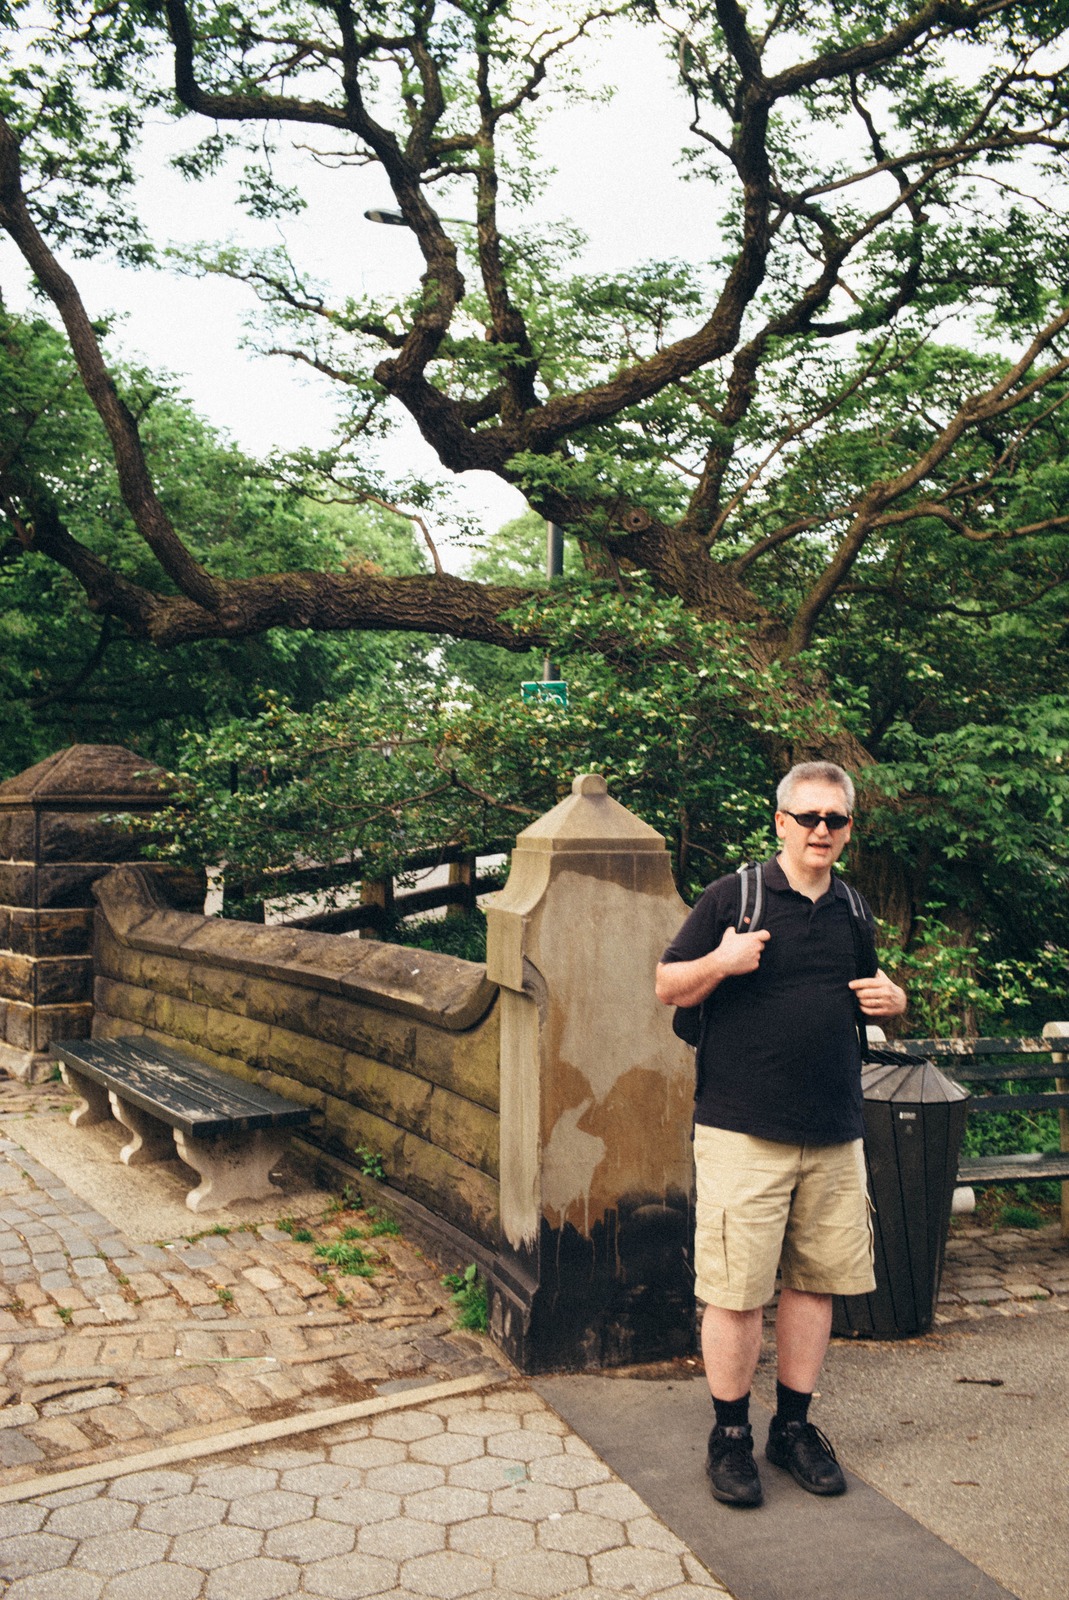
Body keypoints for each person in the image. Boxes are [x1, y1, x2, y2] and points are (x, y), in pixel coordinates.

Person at [655, 761, 906, 1508]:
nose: (820, 831)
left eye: (835, 820)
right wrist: (722, 960)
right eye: (807, 818)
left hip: (834, 1128)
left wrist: (893, 1001)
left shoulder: (854, 912)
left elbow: (865, 1000)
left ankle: (791, 1428)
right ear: (780, 823)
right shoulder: (733, 896)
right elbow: (667, 985)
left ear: (849, 828)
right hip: (743, 1129)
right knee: (735, 1292)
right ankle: (729, 1435)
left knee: (814, 1284)